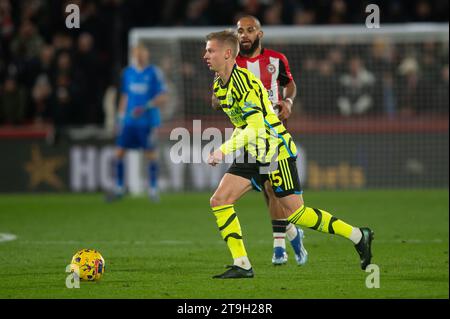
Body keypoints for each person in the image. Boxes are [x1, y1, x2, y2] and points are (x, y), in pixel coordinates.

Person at [203, 30, 373, 279]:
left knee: (296, 214)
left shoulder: (244, 83)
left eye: (210, 50)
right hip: (254, 150)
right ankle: (242, 264)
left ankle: (358, 235)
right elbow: (245, 126)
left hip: (275, 150)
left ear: (227, 53)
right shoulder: (219, 84)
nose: (205, 55)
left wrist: (224, 149)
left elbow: (258, 127)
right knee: (219, 200)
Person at [235, 15, 307, 266]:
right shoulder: (232, 64)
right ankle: (293, 234)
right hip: (247, 137)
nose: (244, 35)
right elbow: (217, 95)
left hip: (274, 134)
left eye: (250, 30)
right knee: (268, 192)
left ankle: (279, 249)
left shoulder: (276, 59)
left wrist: (288, 101)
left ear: (260, 34)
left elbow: (290, 85)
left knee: (271, 189)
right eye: (240, 31)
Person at [106, 43, 168, 202]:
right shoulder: (127, 73)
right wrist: (120, 117)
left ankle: (153, 189)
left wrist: (146, 106)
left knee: (151, 154)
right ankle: (119, 187)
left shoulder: (154, 73)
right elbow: (125, 96)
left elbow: (163, 96)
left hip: (146, 122)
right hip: (129, 122)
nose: (139, 56)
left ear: (147, 54)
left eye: (142, 53)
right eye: (137, 53)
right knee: (119, 153)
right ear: (133, 55)